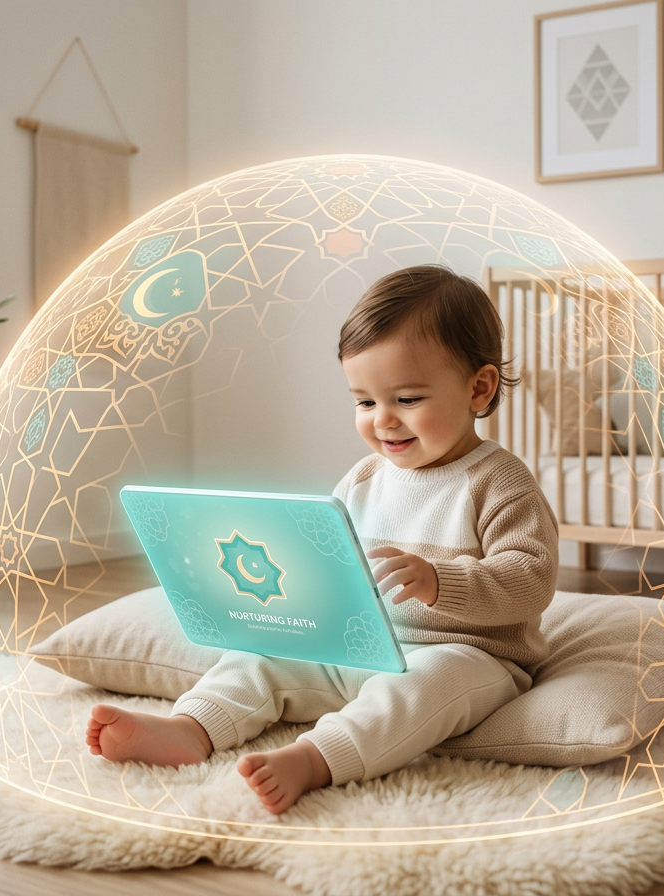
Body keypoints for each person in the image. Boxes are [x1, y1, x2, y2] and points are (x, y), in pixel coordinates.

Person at [85, 264, 559, 814]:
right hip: (362, 646)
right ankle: (192, 727)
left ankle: (315, 758)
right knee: (260, 656)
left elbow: (532, 579)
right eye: (364, 402)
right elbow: (329, 564)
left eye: (407, 399)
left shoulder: (499, 481)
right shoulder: (362, 479)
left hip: (469, 655)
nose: (383, 421)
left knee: (418, 687)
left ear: (478, 388)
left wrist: (439, 581)